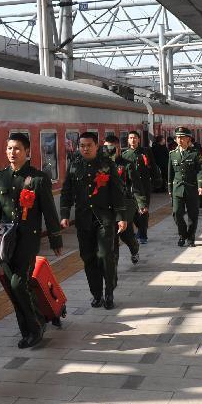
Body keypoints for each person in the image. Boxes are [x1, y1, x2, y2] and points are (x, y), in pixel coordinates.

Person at [0, 132, 62, 348]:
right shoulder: (0, 177)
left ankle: (34, 328)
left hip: (27, 240)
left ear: (27, 152)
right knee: (12, 286)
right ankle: (31, 326)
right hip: (6, 241)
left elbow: (49, 212)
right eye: (9, 148)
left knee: (18, 283)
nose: (12, 152)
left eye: (17, 149)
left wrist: (56, 240)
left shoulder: (38, 179)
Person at [60, 132, 127, 309]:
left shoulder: (107, 165)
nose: (85, 149)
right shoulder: (74, 166)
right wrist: (65, 214)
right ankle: (97, 294)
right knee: (88, 258)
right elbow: (67, 191)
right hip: (83, 219)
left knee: (105, 255)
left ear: (96, 146)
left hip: (105, 218)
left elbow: (117, 191)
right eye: (82, 146)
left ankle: (109, 292)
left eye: (89, 145)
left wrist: (121, 217)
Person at [119, 130, 159, 245]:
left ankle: (143, 235)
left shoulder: (146, 151)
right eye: (130, 138)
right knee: (134, 212)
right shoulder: (125, 155)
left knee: (143, 210)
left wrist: (156, 180)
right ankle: (141, 230)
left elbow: (153, 166)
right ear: (128, 140)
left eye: (135, 138)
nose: (133, 140)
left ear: (139, 139)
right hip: (131, 187)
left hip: (144, 186)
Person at [169, 127, 202, 247]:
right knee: (176, 213)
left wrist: (200, 185)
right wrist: (170, 190)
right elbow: (170, 174)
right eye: (178, 137)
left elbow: (200, 171)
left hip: (191, 188)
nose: (179, 140)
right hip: (177, 189)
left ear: (188, 139)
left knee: (193, 215)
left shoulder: (195, 153)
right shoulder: (172, 154)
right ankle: (182, 234)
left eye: (182, 137)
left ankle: (190, 237)